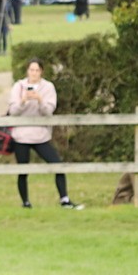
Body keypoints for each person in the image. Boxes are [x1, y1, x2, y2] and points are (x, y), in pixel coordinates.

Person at [7, 58, 83, 209]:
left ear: (41, 72)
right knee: (23, 170)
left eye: (37, 70)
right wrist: (23, 101)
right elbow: (12, 112)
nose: (34, 73)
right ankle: (25, 202)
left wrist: (40, 100)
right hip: (21, 136)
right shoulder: (18, 86)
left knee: (57, 165)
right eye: (31, 70)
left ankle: (64, 199)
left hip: (41, 135)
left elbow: (48, 112)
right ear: (27, 71)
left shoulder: (48, 87)